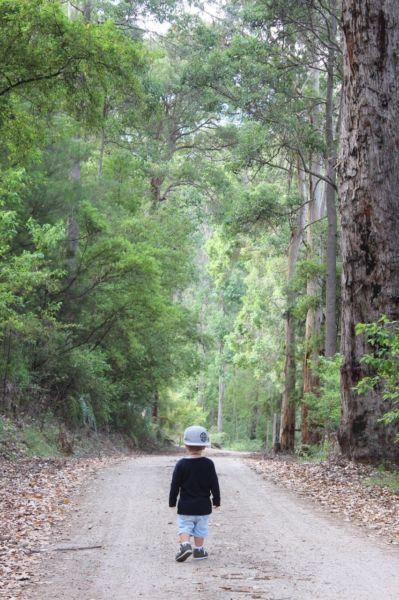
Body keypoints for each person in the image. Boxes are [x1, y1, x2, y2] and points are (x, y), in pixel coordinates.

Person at [169, 425, 221, 562]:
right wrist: (216, 500)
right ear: (204, 446)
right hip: (203, 507)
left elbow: (175, 485)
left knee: (185, 527)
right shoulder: (209, 464)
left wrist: (172, 501)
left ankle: (185, 545)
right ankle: (198, 550)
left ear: (186, 445)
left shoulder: (181, 464)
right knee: (200, 529)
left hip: (186, 506)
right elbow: (214, 484)